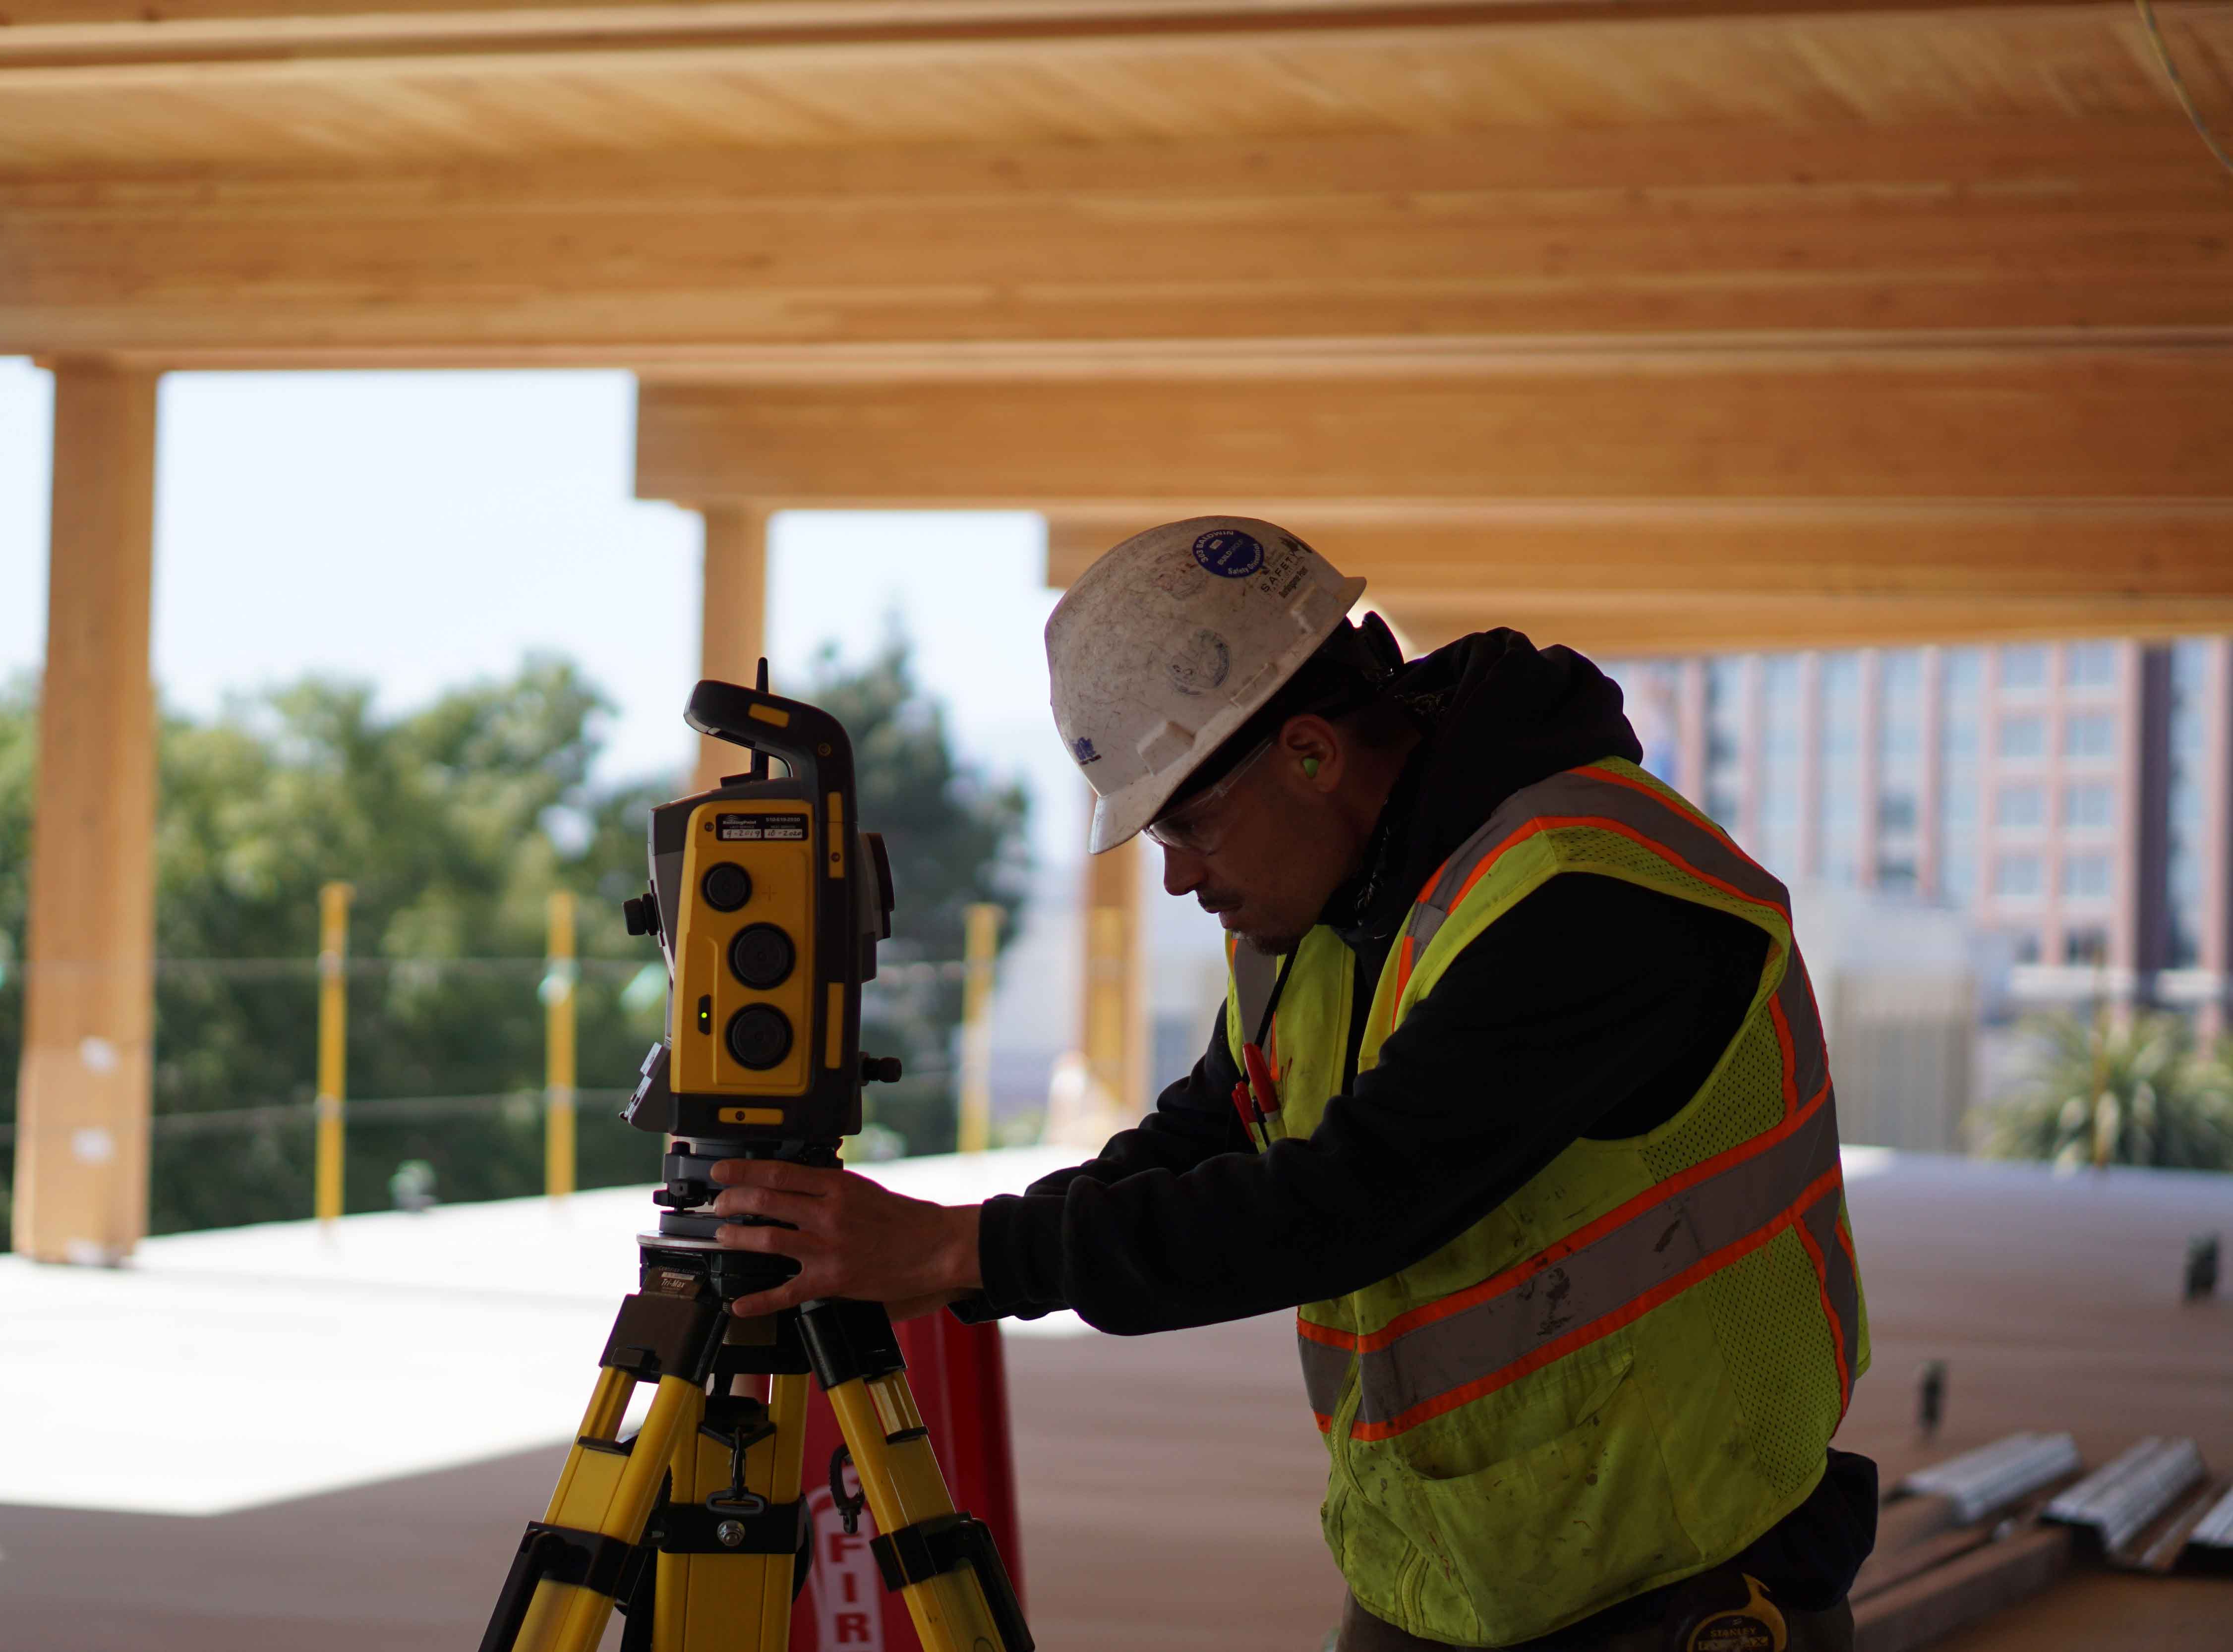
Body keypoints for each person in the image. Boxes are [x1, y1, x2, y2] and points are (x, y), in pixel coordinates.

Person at [709, 517, 1876, 1651]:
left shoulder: (1587, 897)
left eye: (1192, 827)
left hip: (1683, 1577)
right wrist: (941, 1248)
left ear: (1310, 754)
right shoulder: (1333, 907)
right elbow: (1213, 1131)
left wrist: (970, 1252)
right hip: (1452, 1579)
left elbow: (1349, 1199)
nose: (1178, 880)